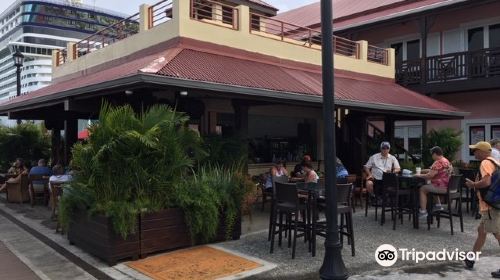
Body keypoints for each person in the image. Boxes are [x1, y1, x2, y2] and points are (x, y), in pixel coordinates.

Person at [464, 141, 500, 273]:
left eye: (476, 151)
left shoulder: (485, 163)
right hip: (494, 204)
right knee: (482, 231)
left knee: (497, 234)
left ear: (484, 152)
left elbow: (486, 181)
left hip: (490, 207)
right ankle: (471, 258)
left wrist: (473, 184)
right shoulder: (495, 162)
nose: (475, 153)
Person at [415, 146, 453, 219]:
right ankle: (438, 205)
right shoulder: (446, 161)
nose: (432, 156)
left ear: (435, 154)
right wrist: (423, 170)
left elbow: (430, 175)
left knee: (423, 189)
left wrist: (419, 175)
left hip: (441, 187)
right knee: (431, 185)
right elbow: (433, 171)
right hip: (448, 187)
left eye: (432, 154)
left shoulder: (438, 162)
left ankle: (423, 212)